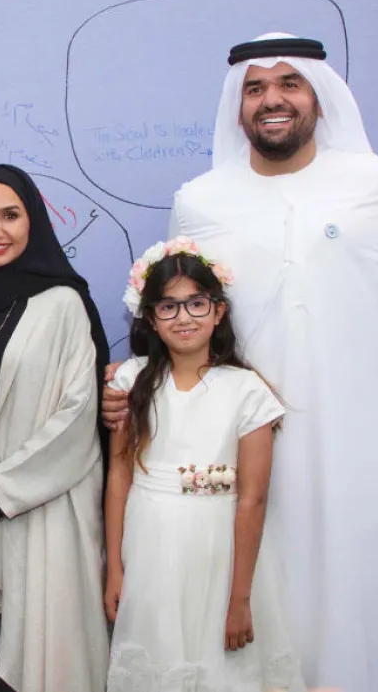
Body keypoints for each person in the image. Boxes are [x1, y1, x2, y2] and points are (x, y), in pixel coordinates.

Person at [103, 33, 378, 692]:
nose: (272, 99)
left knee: (355, 598)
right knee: (243, 596)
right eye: (255, 88)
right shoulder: (201, 199)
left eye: (289, 83)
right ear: (238, 105)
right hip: (234, 450)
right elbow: (179, 315)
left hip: (358, 445)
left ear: (319, 97)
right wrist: (131, 387)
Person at [104, 238, 304, 692]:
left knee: (223, 666)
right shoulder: (131, 381)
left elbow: (252, 500)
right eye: (168, 307)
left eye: (196, 303)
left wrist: (240, 598)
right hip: (150, 546)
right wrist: (114, 568)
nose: (184, 317)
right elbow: (118, 476)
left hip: (220, 551)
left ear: (218, 311)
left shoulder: (247, 391)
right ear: (151, 318)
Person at [0, 164, 110, 692]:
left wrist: (1, 482)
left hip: (51, 501)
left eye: (10, 215)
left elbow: (79, 414)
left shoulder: (64, 303)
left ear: (33, 220)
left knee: (52, 648)